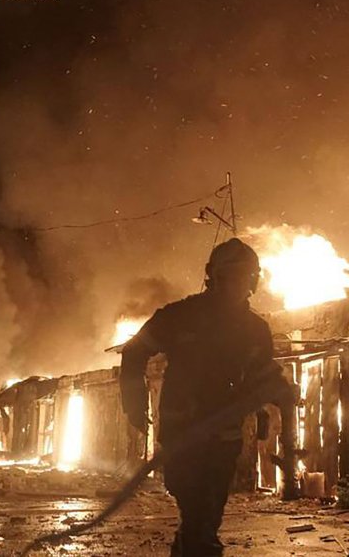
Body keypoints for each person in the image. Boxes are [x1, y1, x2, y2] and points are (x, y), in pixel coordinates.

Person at [120, 238, 277, 557]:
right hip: (183, 434)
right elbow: (134, 352)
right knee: (196, 513)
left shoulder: (256, 330)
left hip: (225, 435)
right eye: (231, 276)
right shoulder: (180, 316)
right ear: (213, 276)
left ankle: (191, 546)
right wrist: (134, 402)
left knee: (206, 515)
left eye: (245, 277)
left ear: (254, 281)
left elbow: (261, 377)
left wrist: (261, 411)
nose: (238, 285)